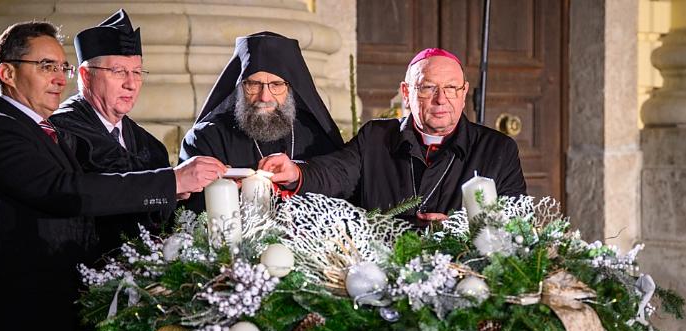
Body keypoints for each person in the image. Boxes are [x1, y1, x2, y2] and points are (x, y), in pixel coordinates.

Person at [0, 21, 225, 331]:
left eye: (61, 66)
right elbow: (67, 193)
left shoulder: (44, 132)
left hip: (57, 321)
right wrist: (169, 182)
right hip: (17, 328)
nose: (58, 78)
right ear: (7, 72)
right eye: (46, 66)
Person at [261, 48, 527, 225]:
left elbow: (517, 223)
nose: (441, 99)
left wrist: (460, 232)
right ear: (406, 92)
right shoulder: (377, 138)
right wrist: (297, 173)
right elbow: (337, 172)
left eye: (451, 88)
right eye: (428, 88)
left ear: (464, 91)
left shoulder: (497, 149)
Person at [50, 9, 171, 251]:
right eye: (118, 71)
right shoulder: (60, 134)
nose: (131, 83)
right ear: (85, 76)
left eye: (137, 72)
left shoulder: (149, 145)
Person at [179, 31, 343, 208]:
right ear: (240, 86)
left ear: (291, 88)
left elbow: (340, 192)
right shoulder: (206, 138)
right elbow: (188, 215)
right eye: (253, 84)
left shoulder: (316, 136)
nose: (264, 97)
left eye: (276, 84)